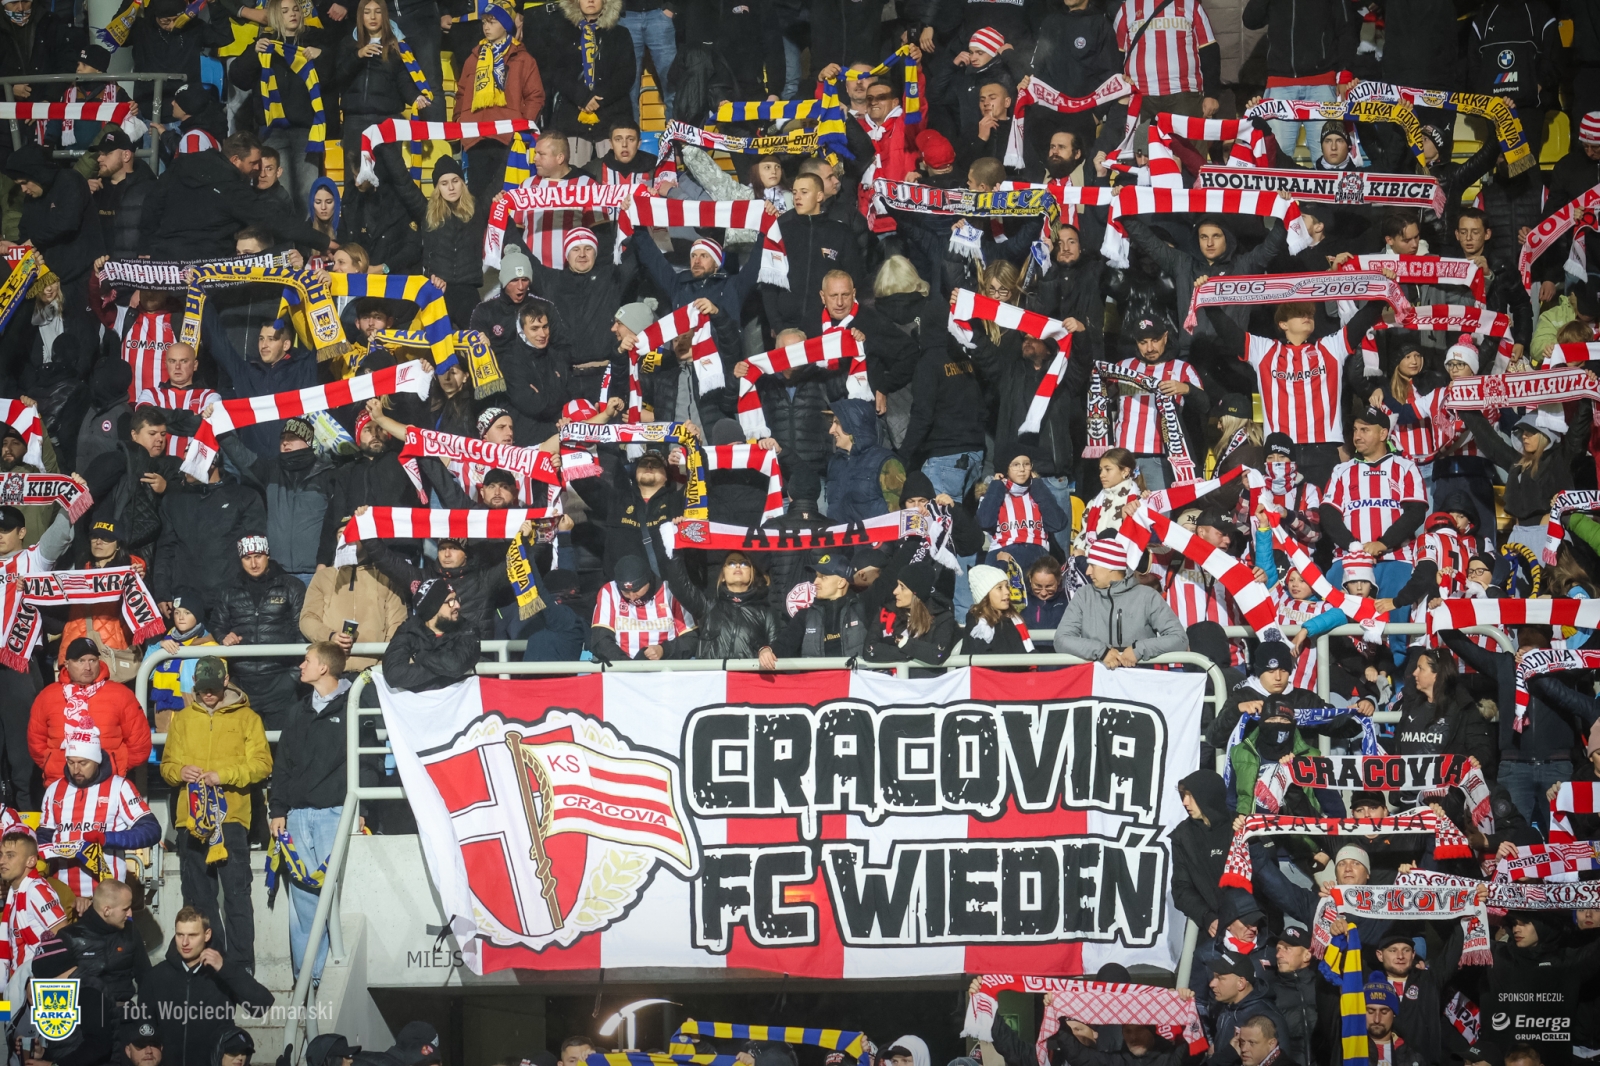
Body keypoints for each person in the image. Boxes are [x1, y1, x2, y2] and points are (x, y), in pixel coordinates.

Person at [160, 657, 271, 972]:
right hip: (191, 821)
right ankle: (209, 964)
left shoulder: (248, 718)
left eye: (213, 687)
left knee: (237, 894)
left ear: (225, 681)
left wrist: (224, 775)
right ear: (194, 684)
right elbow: (167, 767)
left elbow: (262, 764)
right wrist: (180, 771)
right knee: (198, 898)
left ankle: (240, 967)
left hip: (230, 820)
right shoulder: (182, 719)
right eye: (202, 688)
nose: (208, 694)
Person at [270, 642, 354, 986]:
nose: (301, 666)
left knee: (334, 896)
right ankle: (307, 980)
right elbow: (283, 764)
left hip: (336, 813)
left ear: (324, 668)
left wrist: (363, 809)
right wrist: (278, 809)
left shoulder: (355, 704)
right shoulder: (297, 710)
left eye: (307, 661)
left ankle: (324, 974)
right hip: (298, 815)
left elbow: (367, 760)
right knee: (303, 902)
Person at [37, 716, 159, 915]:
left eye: (83, 763)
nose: (76, 769)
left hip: (107, 898)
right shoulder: (54, 789)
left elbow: (151, 830)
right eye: (71, 762)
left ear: (97, 760)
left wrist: (106, 839)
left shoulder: (119, 787)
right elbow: (43, 836)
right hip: (62, 897)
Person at [136, 906, 272, 1066]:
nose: (185, 942)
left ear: (207, 935)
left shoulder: (223, 974)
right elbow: (144, 1031)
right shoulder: (156, 976)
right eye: (180, 935)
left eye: (192, 935)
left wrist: (225, 969)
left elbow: (261, 1006)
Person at [28, 636, 152, 794]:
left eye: (92, 660)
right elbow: (36, 742)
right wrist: (51, 763)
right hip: (60, 784)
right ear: (67, 664)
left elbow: (140, 742)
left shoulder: (121, 695)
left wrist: (117, 765)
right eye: (80, 661)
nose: (87, 667)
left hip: (109, 784)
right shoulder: (47, 696)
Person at [211, 535, 307, 732]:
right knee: (243, 745)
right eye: (247, 558)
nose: (254, 563)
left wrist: (292, 678)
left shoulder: (291, 586)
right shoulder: (228, 589)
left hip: (281, 681)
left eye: (258, 556)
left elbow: (302, 631)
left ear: (268, 555)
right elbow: (217, 625)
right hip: (242, 684)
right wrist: (223, 637)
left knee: (282, 745)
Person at [1054, 536, 1187, 666]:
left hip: (1139, 678)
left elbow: (1179, 638)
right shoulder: (1083, 595)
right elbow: (1061, 640)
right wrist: (1101, 651)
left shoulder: (1147, 596)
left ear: (1110, 567)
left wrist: (1139, 650)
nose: (1088, 571)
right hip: (1096, 678)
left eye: (1092, 565)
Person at [300, 546, 407, 673]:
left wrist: (379, 667)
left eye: (352, 535)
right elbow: (308, 619)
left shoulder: (387, 578)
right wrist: (330, 636)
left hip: (373, 672)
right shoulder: (323, 577)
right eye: (340, 536)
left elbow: (397, 625)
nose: (346, 539)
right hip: (328, 672)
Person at [663, 550, 779, 662]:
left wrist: (766, 649)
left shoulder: (766, 612)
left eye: (744, 563)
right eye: (731, 563)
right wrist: (674, 549)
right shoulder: (708, 607)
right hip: (713, 675)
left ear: (751, 574)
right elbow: (679, 585)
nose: (737, 566)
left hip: (746, 675)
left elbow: (778, 646)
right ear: (722, 576)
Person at [54, 879, 149, 1008]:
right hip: (86, 1013)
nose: (130, 913)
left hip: (124, 1012)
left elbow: (146, 977)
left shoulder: (130, 931)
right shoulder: (70, 937)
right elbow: (51, 985)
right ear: (107, 910)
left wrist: (146, 1014)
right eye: (125, 909)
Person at [975, 444, 1070, 569]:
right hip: (1003, 554)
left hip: (1037, 555)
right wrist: (996, 486)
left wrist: (1039, 487)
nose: (1022, 469)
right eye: (1015, 465)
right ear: (1006, 468)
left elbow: (1057, 524)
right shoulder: (994, 493)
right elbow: (985, 522)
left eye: (1026, 464)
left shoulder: (1038, 492)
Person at [588, 555, 694, 662]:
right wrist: (628, 666)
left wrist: (664, 650)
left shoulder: (670, 591)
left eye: (636, 590)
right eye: (626, 592)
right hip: (622, 666)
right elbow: (600, 640)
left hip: (665, 666)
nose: (632, 597)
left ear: (648, 580)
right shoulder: (610, 591)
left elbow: (691, 639)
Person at [382, 580, 480, 692]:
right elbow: (394, 675)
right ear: (433, 608)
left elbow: (455, 665)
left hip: (457, 700)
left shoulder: (467, 628)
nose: (457, 605)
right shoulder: (408, 630)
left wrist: (420, 657)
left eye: (456, 599)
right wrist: (441, 667)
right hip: (417, 701)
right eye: (450, 601)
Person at [0, 828, 70, 982]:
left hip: (36, 980)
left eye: (10, 855)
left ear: (31, 861)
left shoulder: (36, 890)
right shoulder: (14, 892)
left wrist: (40, 980)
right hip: (19, 980)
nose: (2, 861)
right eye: (1, 854)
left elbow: (63, 936)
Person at [824, 398, 905, 522]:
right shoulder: (835, 462)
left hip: (876, 535)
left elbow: (900, 515)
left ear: (854, 424)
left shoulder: (887, 462)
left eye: (837, 423)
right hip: (840, 535)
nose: (831, 430)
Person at [773, 555, 866, 658]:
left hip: (854, 669)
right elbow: (783, 646)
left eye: (823, 577)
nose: (815, 582)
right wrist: (766, 651)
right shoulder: (805, 616)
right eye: (816, 576)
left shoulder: (862, 609)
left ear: (841, 582)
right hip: (817, 670)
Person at [1209, 950, 1289, 1066]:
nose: (1212, 984)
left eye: (1220, 978)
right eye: (1213, 977)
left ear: (1240, 983)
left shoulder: (1267, 1015)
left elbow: (1282, 1061)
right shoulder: (1226, 1008)